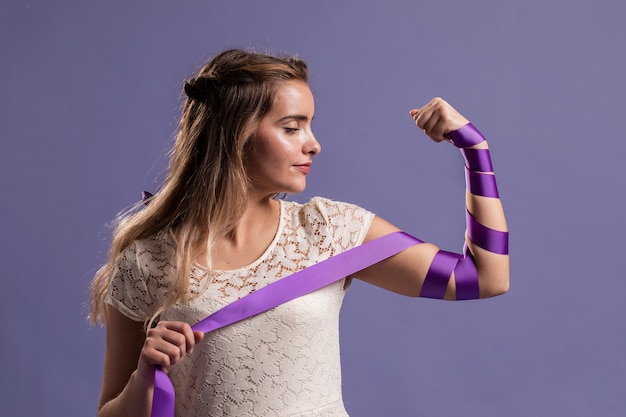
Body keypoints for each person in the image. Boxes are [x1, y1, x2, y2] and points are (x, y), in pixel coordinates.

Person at [89, 48, 509, 417]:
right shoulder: (147, 259)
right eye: (292, 128)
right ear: (235, 134)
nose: (313, 144)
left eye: (309, 126)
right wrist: (144, 376)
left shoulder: (329, 230)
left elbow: (483, 277)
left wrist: (475, 151)